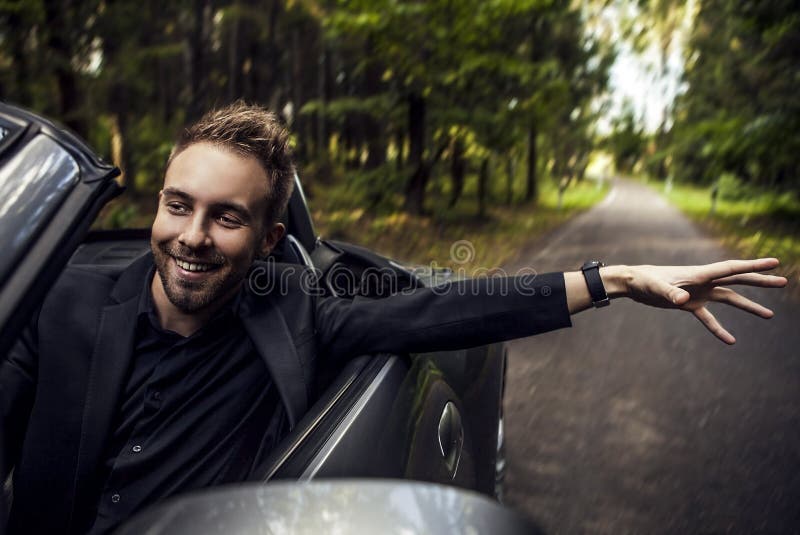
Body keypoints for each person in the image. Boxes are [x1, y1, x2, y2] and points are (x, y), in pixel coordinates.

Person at [0, 102, 787, 534]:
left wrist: (613, 276)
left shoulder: (299, 310)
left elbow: (450, 306)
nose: (192, 237)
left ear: (270, 237)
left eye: (227, 217)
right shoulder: (57, 300)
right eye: (178, 205)